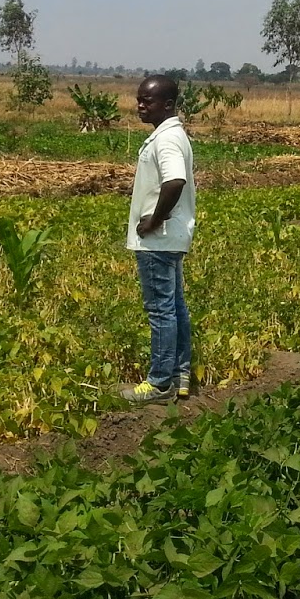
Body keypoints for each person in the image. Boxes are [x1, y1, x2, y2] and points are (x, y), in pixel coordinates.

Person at [120, 75, 197, 402]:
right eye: (139, 99)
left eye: (147, 101)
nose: (140, 106)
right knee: (174, 307)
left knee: (161, 310)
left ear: (167, 104)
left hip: (158, 241)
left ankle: (160, 383)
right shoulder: (172, 135)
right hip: (170, 239)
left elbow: (174, 181)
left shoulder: (166, 140)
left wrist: (154, 220)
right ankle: (180, 374)